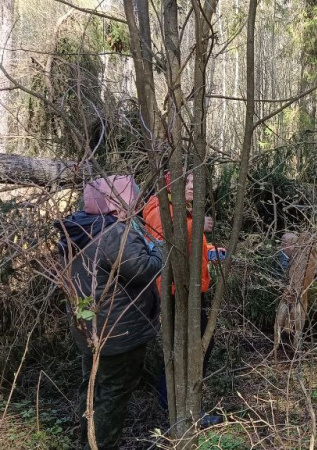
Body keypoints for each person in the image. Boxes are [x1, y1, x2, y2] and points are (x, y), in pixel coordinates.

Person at [55, 175, 162, 450]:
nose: (136, 203)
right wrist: (159, 249)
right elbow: (144, 270)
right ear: (117, 202)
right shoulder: (113, 233)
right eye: (132, 197)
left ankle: (86, 439)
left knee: (92, 386)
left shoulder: (79, 226)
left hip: (89, 327)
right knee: (113, 393)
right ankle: (102, 445)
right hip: (119, 333)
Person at [143, 171, 222, 426]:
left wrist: (211, 251)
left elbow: (191, 246)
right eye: (185, 182)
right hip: (175, 292)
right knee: (191, 347)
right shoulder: (159, 209)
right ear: (171, 186)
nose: (191, 187)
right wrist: (197, 224)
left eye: (194, 183)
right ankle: (177, 407)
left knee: (197, 345)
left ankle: (177, 404)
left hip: (190, 289)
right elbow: (164, 243)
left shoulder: (183, 211)